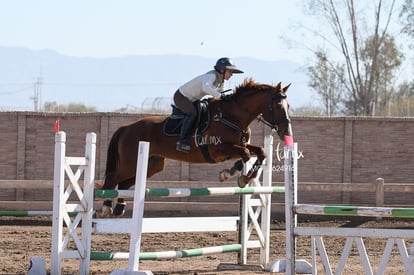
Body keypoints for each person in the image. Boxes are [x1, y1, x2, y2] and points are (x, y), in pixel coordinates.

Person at [173, 57, 244, 152]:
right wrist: (221, 96)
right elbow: (206, 88)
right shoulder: (212, 76)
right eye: (230, 72)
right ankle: (181, 142)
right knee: (192, 114)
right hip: (181, 97)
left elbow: (220, 94)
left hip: (193, 99)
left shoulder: (220, 81)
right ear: (222, 70)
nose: (231, 75)